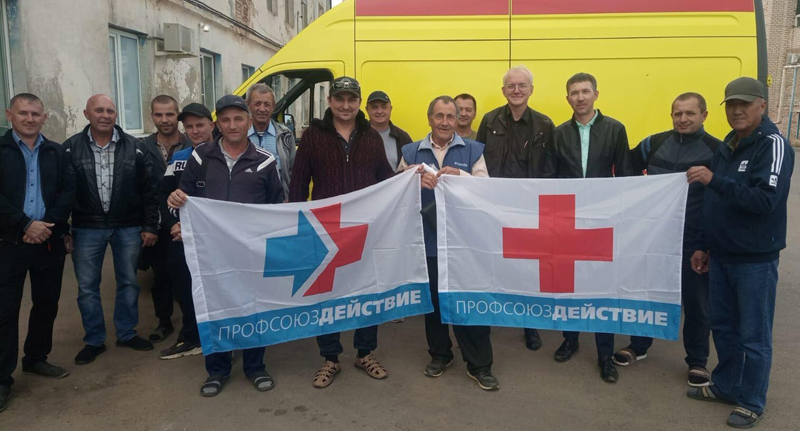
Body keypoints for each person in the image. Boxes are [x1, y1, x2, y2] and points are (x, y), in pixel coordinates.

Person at [686, 77, 794, 429]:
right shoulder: (729, 144)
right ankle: (727, 386)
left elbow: (765, 200)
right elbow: (713, 203)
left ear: (762, 105)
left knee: (754, 336)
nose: (736, 111)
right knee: (723, 327)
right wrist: (703, 244)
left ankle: (752, 401)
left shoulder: (773, 145)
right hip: (721, 255)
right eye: (731, 104)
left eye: (744, 104)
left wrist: (714, 180)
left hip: (754, 260)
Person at [167, 95, 283, 397]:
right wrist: (175, 208)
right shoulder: (200, 157)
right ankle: (217, 370)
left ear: (249, 122)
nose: (232, 125)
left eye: (238, 119)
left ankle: (255, 367)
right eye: (226, 119)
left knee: (254, 308)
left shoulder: (265, 161)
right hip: (212, 252)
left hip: (250, 252)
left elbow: (277, 208)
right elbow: (181, 201)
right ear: (218, 123)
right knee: (215, 308)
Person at [289, 76, 395, 389]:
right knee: (327, 295)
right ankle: (330, 357)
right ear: (330, 102)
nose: (346, 106)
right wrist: (295, 222)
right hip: (325, 228)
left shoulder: (371, 136)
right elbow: (299, 181)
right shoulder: (313, 136)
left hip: (364, 227)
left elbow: (385, 177)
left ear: (359, 103)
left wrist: (411, 178)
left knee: (367, 290)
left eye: (352, 100)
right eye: (340, 99)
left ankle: (365, 353)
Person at [613, 93, 721, 387]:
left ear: (704, 115)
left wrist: (706, 244)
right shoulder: (654, 143)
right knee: (646, 293)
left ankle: (697, 361)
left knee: (696, 302)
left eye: (690, 113)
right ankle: (638, 346)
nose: (683, 119)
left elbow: (720, 198)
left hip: (693, 239)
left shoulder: (717, 150)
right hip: (654, 236)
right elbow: (626, 167)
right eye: (677, 113)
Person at [397, 96, 497, 391]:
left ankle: (480, 365)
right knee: (434, 302)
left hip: (464, 242)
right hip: (427, 239)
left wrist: (462, 176)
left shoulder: (473, 150)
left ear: (458, 119)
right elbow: (395, 189)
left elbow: (487, 189)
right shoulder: (411, 151)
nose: (445, 122)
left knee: (469, 301)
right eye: (439, 116)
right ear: (429, 118)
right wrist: (411, 180)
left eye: (450, 116)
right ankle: (440, 355)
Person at [546, 72, 632, 383]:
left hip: (602, 221)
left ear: (596, 94)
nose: (580, 97)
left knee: (601, 285)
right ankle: (570, 339)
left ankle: (605, 354)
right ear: (567, 98)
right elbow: (550, 179)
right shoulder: (558, 134)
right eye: (574, 93)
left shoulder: (615, 129)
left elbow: (625, 176)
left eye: (585, 91)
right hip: (568, 220)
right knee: (569, 283)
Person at [64, 94, 159, 365]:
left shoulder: (135, 147)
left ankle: (126, 333)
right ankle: (94, 340)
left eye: (110, 110)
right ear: (87, 114)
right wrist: (62, 229)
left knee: (128, 282)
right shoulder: (70, 148)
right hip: (86, 227)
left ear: (116, 115)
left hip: (127, 225)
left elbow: (150, 190)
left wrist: (150, 225)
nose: (105, 115)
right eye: (99, 110)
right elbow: (60, 191)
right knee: (87, 287)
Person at [0, 93, 75, 413]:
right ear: (10, 115)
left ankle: (35, 358)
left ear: (44, 117)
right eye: (23, 113)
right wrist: (25, 224)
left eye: (35, 114)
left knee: (46, 303)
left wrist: (47, 226)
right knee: (5, 310)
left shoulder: (56, 152)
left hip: (48, 241)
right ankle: (2, 378)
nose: (29, 119)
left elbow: (68, 190)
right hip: (9, 242)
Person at [476, 65, 555, 352]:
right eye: (511, 86)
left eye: (522, 85)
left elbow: (550, 169)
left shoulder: (545, 124)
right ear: (503, 90)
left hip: (528, 208)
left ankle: (529, 323)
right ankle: (488, 316)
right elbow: (478, 162)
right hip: (494, 205)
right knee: (492, 260)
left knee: (527, 266)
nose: (517, 90)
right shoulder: (489, 121)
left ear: (531, 90)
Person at [157, 103, 215, 360]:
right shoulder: (179, 158)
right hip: (180, 236)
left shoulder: (224, 154)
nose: (195, 131)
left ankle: (220, 338)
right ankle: (191, 336)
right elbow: (164, 196)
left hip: (213, 237)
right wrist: (173, 224)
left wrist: (198, 228)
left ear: (211, 125)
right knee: (183, 285)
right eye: (189, 126)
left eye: (200, 125)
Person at [140, 95, 189, 343]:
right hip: (156, 224)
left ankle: (191, 326)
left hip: (185, 223)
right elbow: (139, 187)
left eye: (169, 114)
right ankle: (164, 322)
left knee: (186, 275)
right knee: (160, 275)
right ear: (152, 116)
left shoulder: (192, 143)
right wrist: (148, 224)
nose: (164, 119)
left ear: (177, 115)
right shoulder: (141, 147)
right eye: (158, 115)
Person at [245, 83, 296, 199]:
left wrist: (291, 198)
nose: (262, 109)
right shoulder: (241, 134)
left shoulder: (285, 134)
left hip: (279, 203)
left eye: (267, 104)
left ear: (273, 106)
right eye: (257, 103)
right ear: (248, 105)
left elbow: (294, 172)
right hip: (248, 203)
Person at [366, 90, 413, 171]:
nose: (379, 111)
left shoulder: (402, 137)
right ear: (367, 110)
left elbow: (412, 166)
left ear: (390, 109)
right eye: (374, 107)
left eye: (384, 107)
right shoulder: (357, 135)